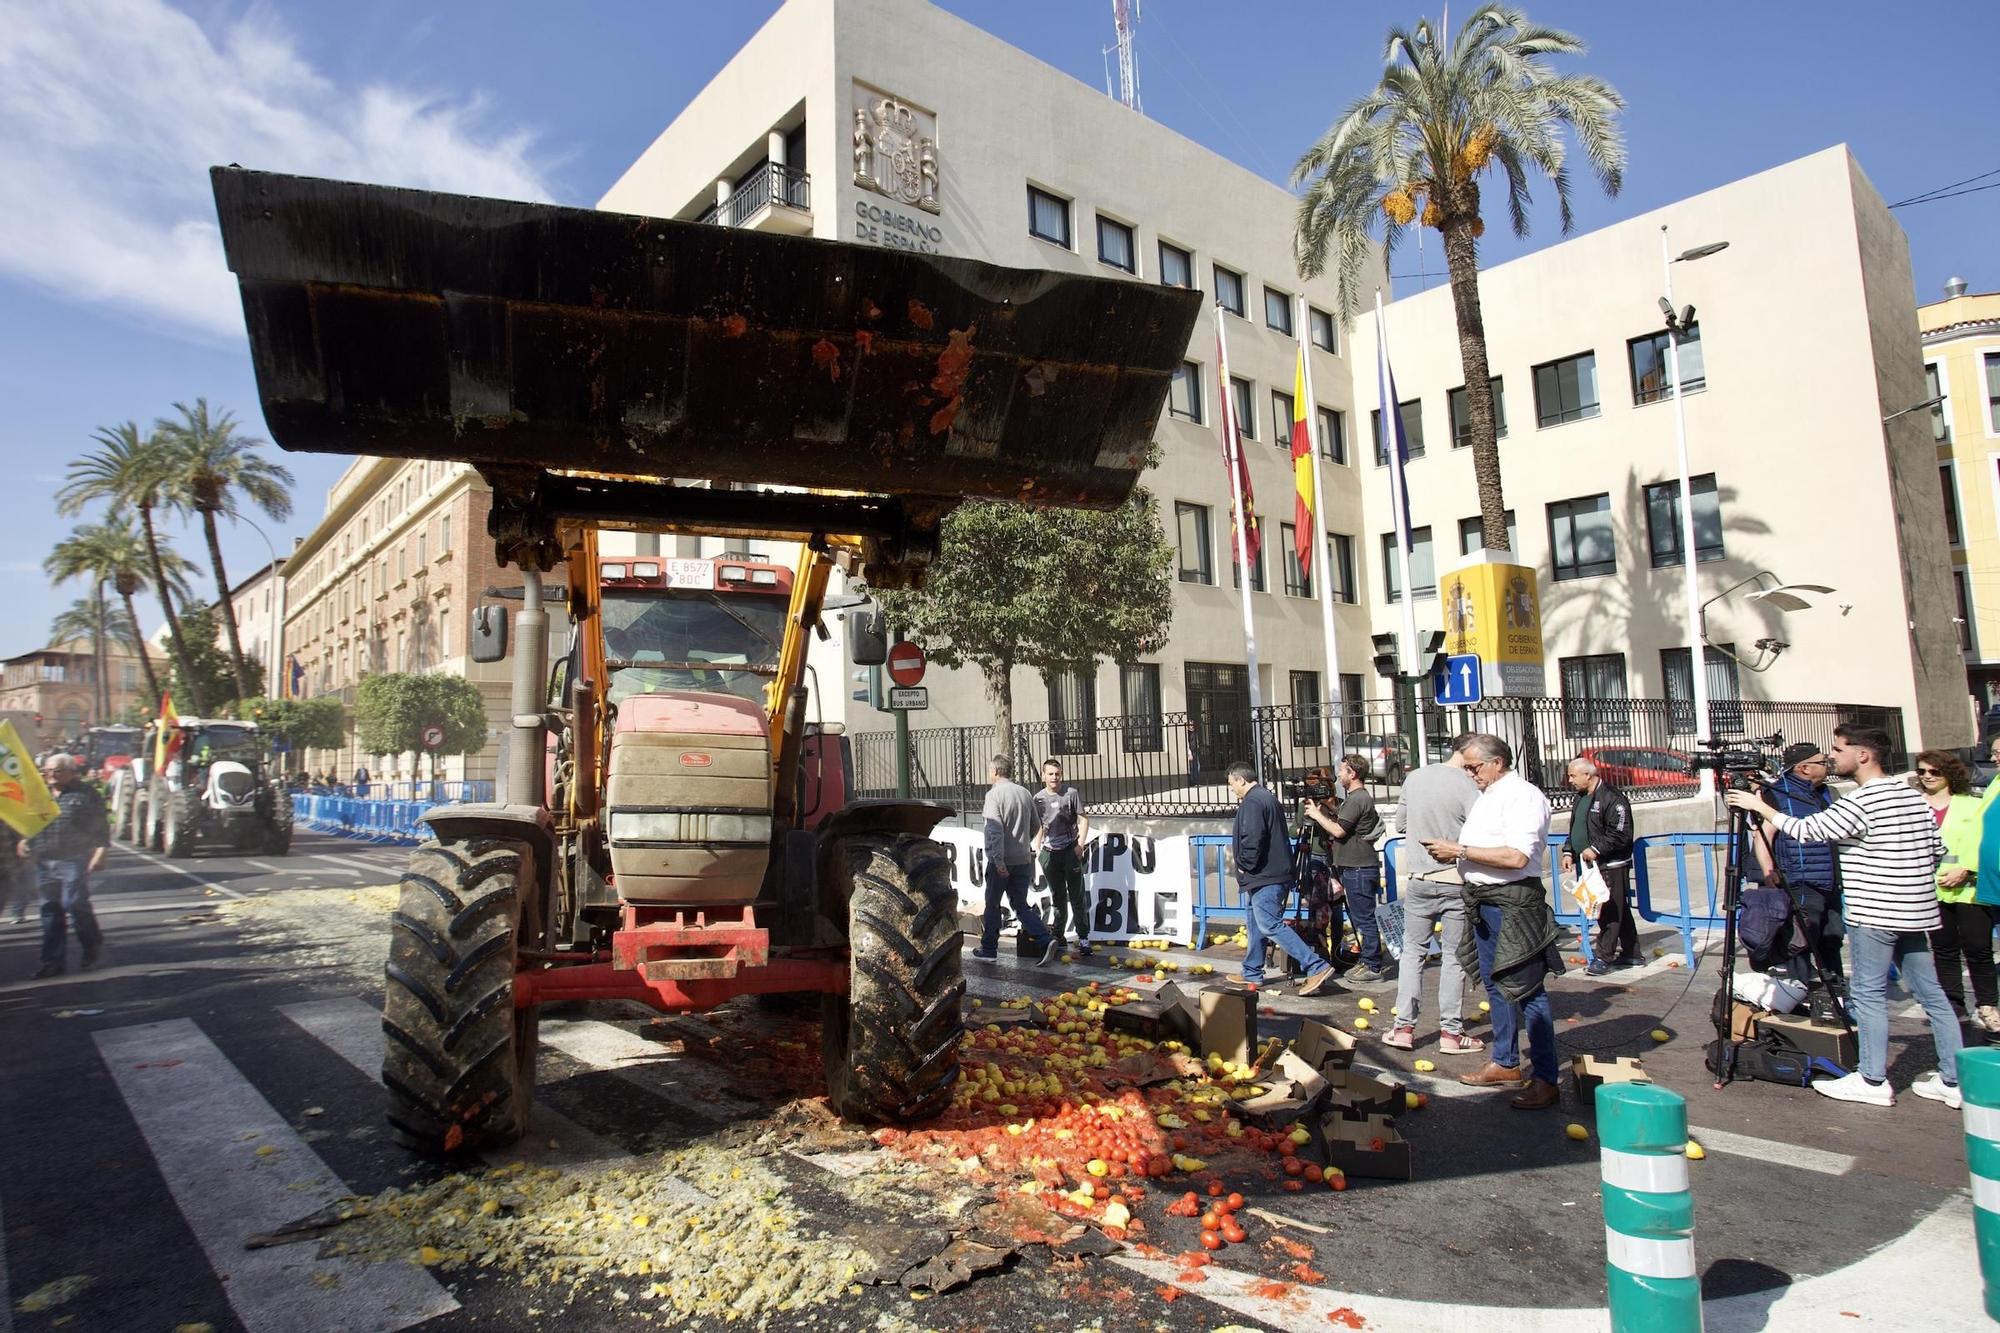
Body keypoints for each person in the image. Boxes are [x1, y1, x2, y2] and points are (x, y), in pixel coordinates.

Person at [1726, 724, 1960, 1108]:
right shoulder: (1914, 798)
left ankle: (1871, 1079)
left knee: (1868, 996)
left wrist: (1758, 806)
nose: (1832, 756)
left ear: (1864, 755)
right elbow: (1936, 850)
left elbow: (1808, 829)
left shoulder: (1862, 801)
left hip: (1876, 913)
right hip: (1915, 913)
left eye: (1838, 749)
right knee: (1933, 995)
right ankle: (1952, 1079)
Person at [1421, 734, 1563, 1110]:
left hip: (1513, 904)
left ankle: (1546, 1077)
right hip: (1486, 902)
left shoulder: (1524, 796)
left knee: (1528, 989)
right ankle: (1505, 1061)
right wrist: (1455, 855)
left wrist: (1460, 851)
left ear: (1497, 762)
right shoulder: (1489, 795)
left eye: (1474, 767)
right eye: (1466, 767)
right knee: (1496, 984)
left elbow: (1517, 857)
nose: (1470, 774)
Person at [1382, 739, 1484, 1056]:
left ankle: (1403, 1029)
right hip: (1456, 880)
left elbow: (1400, 824)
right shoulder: (1468, 786)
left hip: (1419, 879)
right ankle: (1451, 1034)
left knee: (1413, 953)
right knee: (1453, 956)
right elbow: (1481, 830)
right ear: (1469, 754)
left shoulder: (1415, 778)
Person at [1747, 742, 1845, 1023]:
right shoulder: (1779, 795)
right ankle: (1799, 1001)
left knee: (1831, 938)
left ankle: (1835, 997)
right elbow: (1763, 835)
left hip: (1827, 882)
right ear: (1804, 768)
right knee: (1799, 943)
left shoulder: (1828, 793)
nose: (1828, 765)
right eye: (1822, 762)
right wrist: (1768, 871)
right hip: (1798, 882)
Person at [1225, 762, 1336, 995]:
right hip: (1269, 873)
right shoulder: (1266, 797)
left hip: (1265, 874)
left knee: (1268, 923)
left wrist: (1245, 865)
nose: (1232, 789)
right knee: (1255, 922)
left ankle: (1315, 965)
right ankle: (1251, 971)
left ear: (1241, 780)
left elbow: (1253, 837)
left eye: (1231, 783)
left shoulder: (1253, 801)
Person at [1914, 749, 1997, 1033]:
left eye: (1934, 771)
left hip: (1968, 887)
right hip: (1932, 890)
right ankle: (1953, 1003)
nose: (1927, 777)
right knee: (1943, 949)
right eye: (1922, 771)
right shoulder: (1914, 805)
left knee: (1978, 948)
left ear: (1949, 773)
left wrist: (1965, 869)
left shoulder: (1970, 804)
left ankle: (1987, 1004)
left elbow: (1981, 841)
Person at [1301, 754, 1390, 982]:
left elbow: (1339, 831)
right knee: (1362, 917)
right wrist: (1330, 806)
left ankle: (1372, 965)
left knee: (1364, 918)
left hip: (1358, 867)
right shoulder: (1354, 799)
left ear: (1353, 773)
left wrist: (1316, 814)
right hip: (1354, 866)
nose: (1339, 775)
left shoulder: (1357, 799)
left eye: (1342, 771)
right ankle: (1368, 961)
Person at [22, 755, 109, 978]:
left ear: (71, 772)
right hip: (43, 858)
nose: (50, 774)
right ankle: (52, 962)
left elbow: (100, 826)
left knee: (74, 903)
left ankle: (91, 944)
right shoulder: (39, 795)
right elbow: (29, 822)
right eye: (47, 770)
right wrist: (23, 840)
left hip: (74, 858)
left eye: (57, 770)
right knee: (50, 910)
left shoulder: (86, 794)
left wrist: (100, 852)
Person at [971, 755, 1058, 966]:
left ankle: (989, 949)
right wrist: (1022, 844)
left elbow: (995, 830)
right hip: (1023, 859)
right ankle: (1044, 939)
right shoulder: (1024, 793)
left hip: (1002, 860)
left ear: (994, 772)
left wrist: (999, 861)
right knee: (1020, 905)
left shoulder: (994, 795)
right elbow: (1036, 825)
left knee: (992, 904)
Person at [1561, 757, 1636, 977]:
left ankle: (1604, 956)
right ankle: (1632, 952)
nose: (1570, 779)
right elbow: (1576, 826)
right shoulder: (1581, 797)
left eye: (1573, 775)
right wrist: (1569, 851)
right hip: (1589, 864)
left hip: (1610, 863)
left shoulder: (1612, 797)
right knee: (1617, 908)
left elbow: (1621, 832)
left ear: (1588, 774)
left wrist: (1596, 848)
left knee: (1609, 909)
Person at [1032, 759, 1092, 960]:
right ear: (1043, 776)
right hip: (1050, 853)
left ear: (1062, 774)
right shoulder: (1038, 799)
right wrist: (1038, 848)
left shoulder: (1071, 794)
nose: (1054, 777)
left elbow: (1084, 818)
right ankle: (1058, 935)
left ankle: (1083, 937)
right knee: (1057, 897)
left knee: (1076, 896)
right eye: (1050, 774)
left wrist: (1080, 844)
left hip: (1069, 851)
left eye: (1057, 774)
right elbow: (1039, 825)